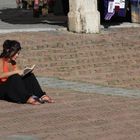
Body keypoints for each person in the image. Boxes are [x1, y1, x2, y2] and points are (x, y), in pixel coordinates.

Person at [0, 40, 54, 105]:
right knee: (15, 77)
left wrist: (25, 72)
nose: (17, 55)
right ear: (8, 51)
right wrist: (16, 72)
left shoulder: (13, 62)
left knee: (29, 75)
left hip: (10, 88)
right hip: (2, 90)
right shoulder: (1, 60)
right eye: (16, 53)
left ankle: (41, 95)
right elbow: (1, 75)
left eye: (18, 53)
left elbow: (19, 76)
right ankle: (26, 98)